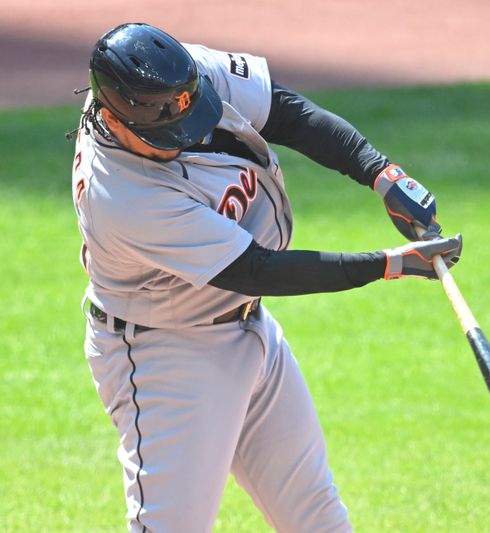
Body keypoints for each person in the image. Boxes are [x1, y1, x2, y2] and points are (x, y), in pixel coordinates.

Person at [69, 22, 462, 533]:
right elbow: (257, 270)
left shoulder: (174, 79)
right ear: (113, 119)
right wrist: (388, 263)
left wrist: (380, 172)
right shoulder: (123, 198)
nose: (184, 142)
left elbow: (286, 113)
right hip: (166, 358)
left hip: (248, 333)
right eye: (164, 138)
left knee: (317, 518)